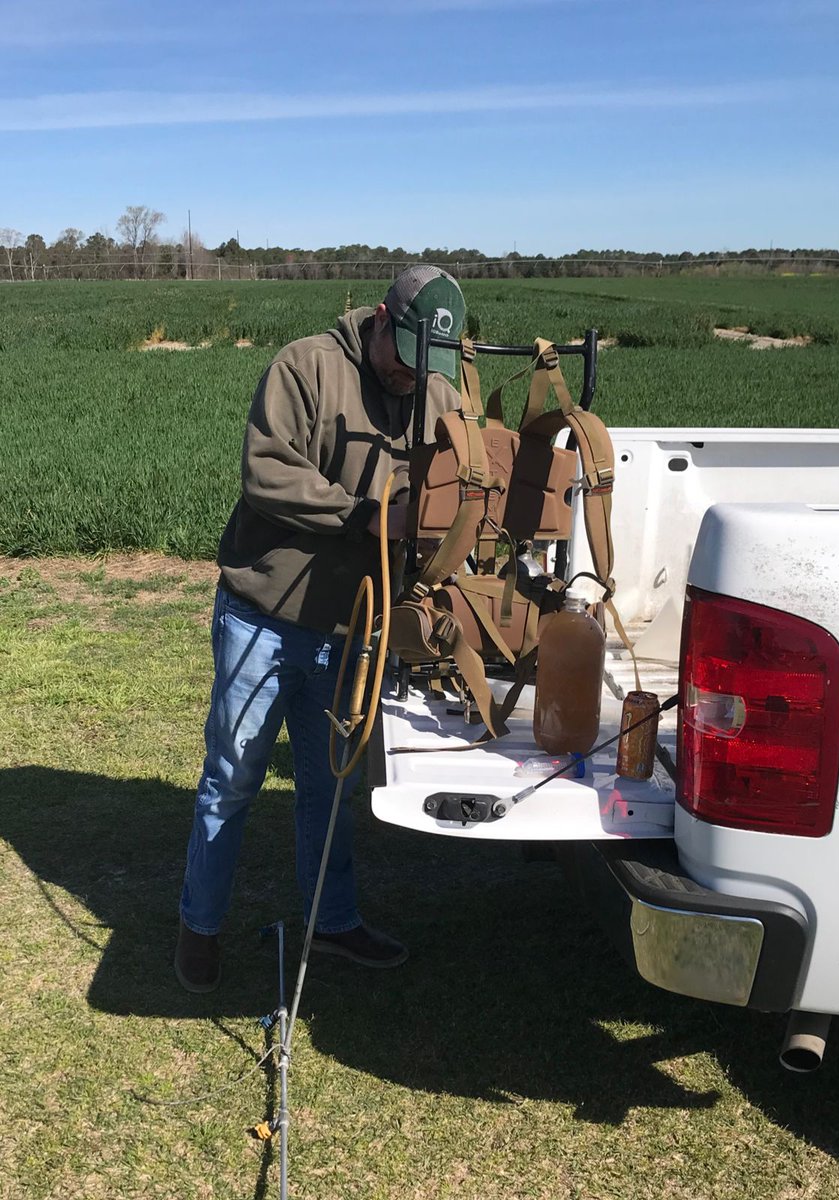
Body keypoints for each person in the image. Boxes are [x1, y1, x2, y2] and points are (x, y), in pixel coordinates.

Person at [175, 265, 466, 992]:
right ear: (377, 319)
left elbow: (458, 484)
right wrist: (371, 517)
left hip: (348, 626)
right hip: (262, 615)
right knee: (232, 778)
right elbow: (267, 474)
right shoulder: (305, 367)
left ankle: (331, 923)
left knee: (327, 787)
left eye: (425, 362)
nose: (410, 374)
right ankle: (199, 927)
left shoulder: (436, 390)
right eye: (402, 353)